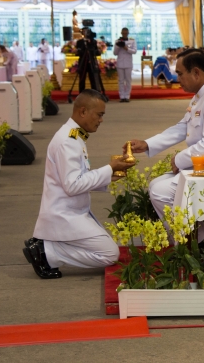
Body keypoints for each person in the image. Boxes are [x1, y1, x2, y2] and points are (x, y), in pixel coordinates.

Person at [24, 90, 135, 279]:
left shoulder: (74, 136)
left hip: (73, 210)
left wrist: (112, 175)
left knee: (108, 247)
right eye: (99, 115)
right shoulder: (68, 141)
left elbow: (79, 177)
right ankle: (48, 251)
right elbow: (72, 186)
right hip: (64, 214)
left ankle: (49, 246)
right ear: (83, 111)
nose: (101, 120)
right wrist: (109, 168)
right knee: (110, 254)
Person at [128, 50, 204, 217]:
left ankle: (193, 239)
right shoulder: (202, 94)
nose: (178, 79)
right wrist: (147, 144)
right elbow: (183, 127)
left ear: (196, 72)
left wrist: (179, 159)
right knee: (155, 185)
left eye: (180, 74)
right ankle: (190, 236)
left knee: (160, 191)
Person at [113, 28, 137, 102]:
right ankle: (122, 96)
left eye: (126, 33)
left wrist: (126, 48)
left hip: (128, 63)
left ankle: (127, 96)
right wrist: (118, 46)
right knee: (121, 80)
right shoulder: (117, 41)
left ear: (128, 33)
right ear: (121, 33)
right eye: (123, 33)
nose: (124, 34)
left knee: (128, 80)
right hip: (120, 63)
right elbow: (115, 53)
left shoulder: (132, 41)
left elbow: (134, 51)